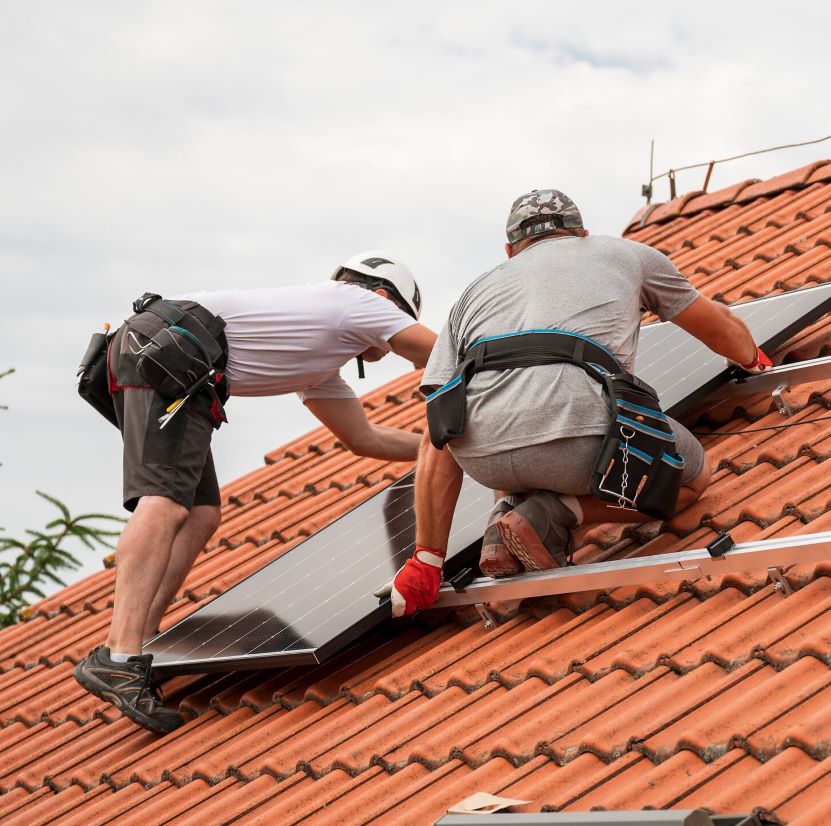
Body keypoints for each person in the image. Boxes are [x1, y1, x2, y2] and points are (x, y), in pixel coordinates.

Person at [75, 253, 437, 732]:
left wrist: (438, 455)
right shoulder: (359, 302)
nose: (391, 342)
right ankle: (119, 655)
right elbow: (439, 352)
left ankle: (137, 641)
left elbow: (363, 439)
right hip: (172, 353)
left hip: (168, 355)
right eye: (398, 320)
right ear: (386, 298)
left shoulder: (319, 361)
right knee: (162, 501)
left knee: (201, 512)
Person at [380, 190, 771, 617]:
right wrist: (753, 359)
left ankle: (507, 518)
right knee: (692, 477)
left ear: (510, 251)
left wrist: (427, 559)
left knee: (502, 414)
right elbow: (719, 327)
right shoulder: (627, 254)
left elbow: (438, 427)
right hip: (579, 441)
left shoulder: (472, 295)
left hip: (484, 460)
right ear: (583, 233)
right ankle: (555, 512)